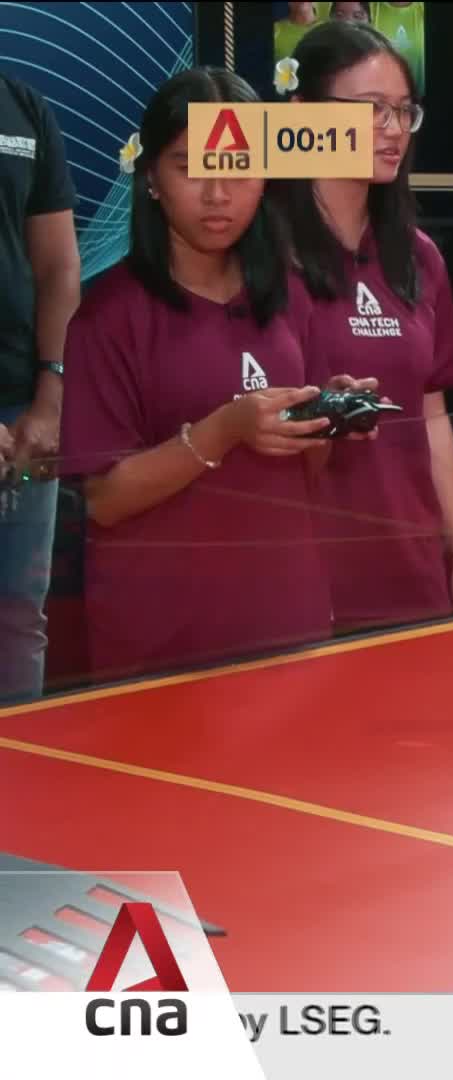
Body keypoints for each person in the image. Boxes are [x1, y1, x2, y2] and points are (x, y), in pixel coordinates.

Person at [59, 68, 370, 680]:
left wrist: (325, 417)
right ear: (152, 177)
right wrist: (223, 430)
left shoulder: (291, 296)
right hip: (163, 641)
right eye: (191, 167)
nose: (218, 193)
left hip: (287, 620)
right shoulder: (108, 317)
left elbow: (311, 473)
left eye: (238, 167)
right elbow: (105, 500)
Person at [275, 19, 453, 631]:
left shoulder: (419, 257)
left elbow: (433, 415)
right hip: (295, 574)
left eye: (402, 111)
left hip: (409, 564)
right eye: (371, 109)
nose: (393, 129)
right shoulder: (261, 256)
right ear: (303, 116)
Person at [0, 72, 80, 702]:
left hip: (21, 414)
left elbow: (57, 265)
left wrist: (50, 401)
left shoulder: (24, 107)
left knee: (19, 615)